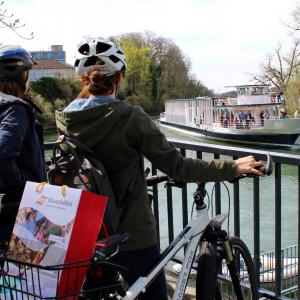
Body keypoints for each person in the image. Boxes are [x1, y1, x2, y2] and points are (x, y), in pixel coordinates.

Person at [55, 36, 264, 300]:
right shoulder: (130, 118)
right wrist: (231, 167)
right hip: (131, 235)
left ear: (83, 79)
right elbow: (177, 167)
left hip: (85, 232)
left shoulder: (65, 120)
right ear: (118, 78)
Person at [0, 46, 46, 245]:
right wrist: (23, 185)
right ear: (20, 75)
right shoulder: (15, 109)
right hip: (21, 209)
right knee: (29, 271)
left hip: (9, 208)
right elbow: (2, 155)